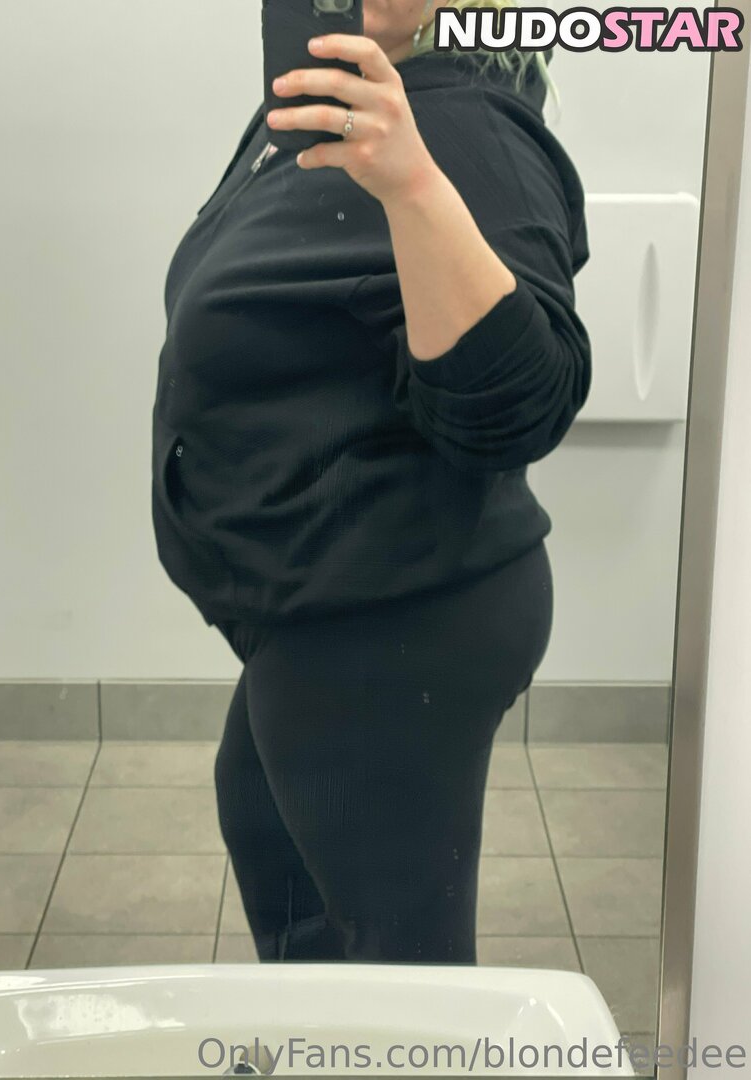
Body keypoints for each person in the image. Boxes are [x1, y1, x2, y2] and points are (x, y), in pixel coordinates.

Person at [150, 0, 591, 963]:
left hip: (396, 618)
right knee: (280, 861)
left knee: (404, 976)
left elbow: (524, 405)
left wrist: (415, 185)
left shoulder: (467, 127)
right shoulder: (333, 102)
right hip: (321, 606)